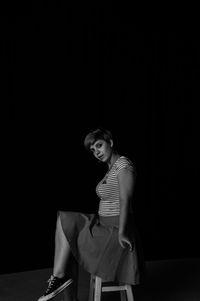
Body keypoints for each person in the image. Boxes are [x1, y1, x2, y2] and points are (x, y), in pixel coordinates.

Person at [37, 127, 145, 301]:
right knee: (66, 227)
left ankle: (58, 276)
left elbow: (125, 200)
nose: (97, 152)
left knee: (67, 222)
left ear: (110, 142)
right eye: (93, 150)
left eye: (99, 146)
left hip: (114, 228)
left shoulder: (123, 165)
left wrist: (122, 232)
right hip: (103, 224)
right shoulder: (111, 168)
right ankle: (60, 279)